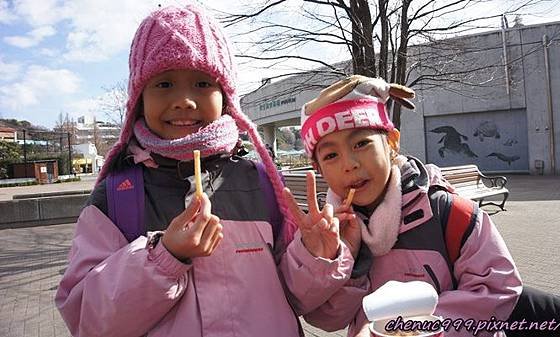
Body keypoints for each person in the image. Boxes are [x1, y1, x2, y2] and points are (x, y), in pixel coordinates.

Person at [54, 5, 354, 337]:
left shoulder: (261, 183)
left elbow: (299, 300)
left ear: (226, 96)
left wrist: (315, 256)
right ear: (139, 98)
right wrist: (164, 258)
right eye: (164, 84)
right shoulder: (115, 195)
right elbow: (85, 317)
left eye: (201, 82)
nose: (184, 100)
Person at [299, 75, 560, 337]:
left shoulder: (452, 214)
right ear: (320, 169)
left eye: (361, 144)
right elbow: (329, 319)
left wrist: (410, 327)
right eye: (330, 156)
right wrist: (341, 260)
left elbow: (499, 291)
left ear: (392, 143)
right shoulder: (333, 235)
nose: (349, 164)